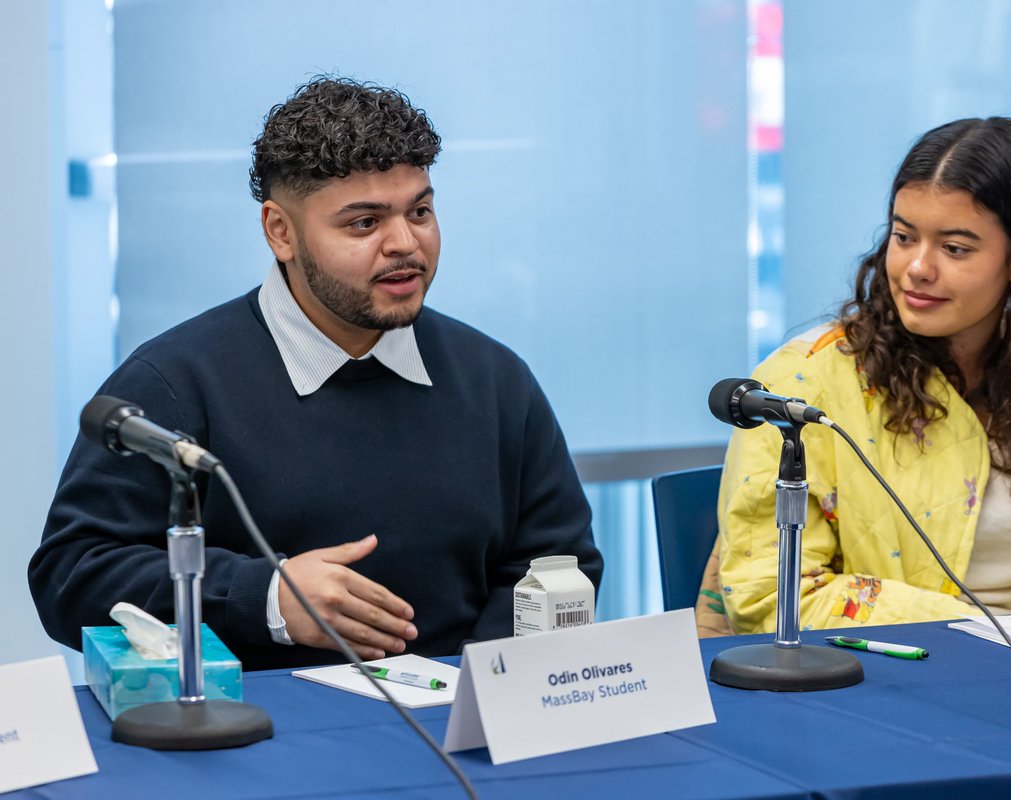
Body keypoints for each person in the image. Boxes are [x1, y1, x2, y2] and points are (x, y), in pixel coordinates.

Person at [29, 76, 602, 669]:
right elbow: (72, 575)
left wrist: (479, 688)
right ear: (281, 231)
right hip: (262, 738)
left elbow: (558, 564)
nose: (405, 243)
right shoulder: (174, 382)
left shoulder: (495, 378)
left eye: (421, 211)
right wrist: (267, 599)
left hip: (463, 726)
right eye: (363, 223)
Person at [698, 117, 1011, 636]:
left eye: (955, 248)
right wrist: (987, 635)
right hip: (878, 687)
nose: (917, 268)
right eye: (903, 236)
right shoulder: (803, 386)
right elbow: (771, 595)